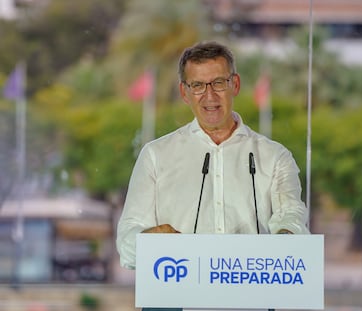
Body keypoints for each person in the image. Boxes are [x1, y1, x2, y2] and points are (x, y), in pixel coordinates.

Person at [116, 41, 310, 270]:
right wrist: (151, 239)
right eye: (197, 85)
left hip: (249, 296)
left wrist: (285, 238)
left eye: (218, 83)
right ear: (184, 93)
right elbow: (127, 244)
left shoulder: (275, 157)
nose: (209, 96)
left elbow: (292, 218)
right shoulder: (155, 156)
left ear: (235, 85)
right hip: (175, 298)